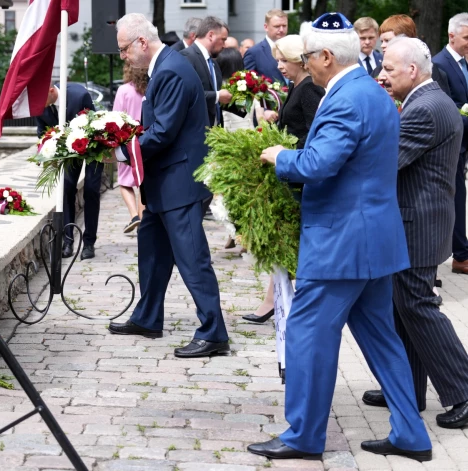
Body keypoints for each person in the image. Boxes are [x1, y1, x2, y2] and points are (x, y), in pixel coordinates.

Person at [247, 13, 432, 461]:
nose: (304, 65)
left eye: (308, 57)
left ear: (326, 56)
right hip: (372, 242)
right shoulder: (369, 89)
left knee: (307, 334)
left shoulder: (346, 98)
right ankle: (410, 433)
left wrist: (277, 156)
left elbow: (316, 165)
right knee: (383, 341)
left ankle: (303, 437)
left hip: (340, 243)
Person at [359, 37, 468, 429]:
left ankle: (463, 391)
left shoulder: (425, 108)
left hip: (417, 224)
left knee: (418, 307)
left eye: (388, 68)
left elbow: (386, 162)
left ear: (412, 70)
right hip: (420, 221)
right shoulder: (430, 100)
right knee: (405, 308)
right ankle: (407, 389)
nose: (382, 75)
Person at [108, 13, 230, 358]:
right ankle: (147, 317)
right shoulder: (165, 66)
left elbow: (163, 132)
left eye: (123, 49)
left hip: (180, 183)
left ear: (141, 43)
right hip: (164, 182)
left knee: (192, 260)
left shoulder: (172, 69)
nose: (123, 57)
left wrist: (118, 149)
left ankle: (214, 332)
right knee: (152, 252)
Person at [243, 35, 325, 324]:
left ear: (299, 61)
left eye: (282, 60)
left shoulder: (309, 89)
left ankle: (282, 302)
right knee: (286, 239)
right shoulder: (296, 86)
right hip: (290, 171)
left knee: (290, 239)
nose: (278, 66)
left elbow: (315, 133)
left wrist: (285, 146)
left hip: (299, 175)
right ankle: (274, 300)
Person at [36, 83, 101, 261]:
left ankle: (89, 242)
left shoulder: (79, 96)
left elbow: (95, 128)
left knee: (91, 190)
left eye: (39, 97)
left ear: (50, 90)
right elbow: (42, 135)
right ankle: (68, 240)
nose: (37, 103)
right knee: (66, 188)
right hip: (69, 151)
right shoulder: (40, 108)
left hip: (93, 147)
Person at [432, 13, 468, 275]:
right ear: (451, 36)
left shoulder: (465, 62)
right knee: (457, 199)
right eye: (467, 37)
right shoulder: (439, 64)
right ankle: (461, 255)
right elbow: (445, 108)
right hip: (454, 142)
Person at [375, 14, 450, 95]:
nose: (382, 45)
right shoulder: (377, 71)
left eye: (388, 41)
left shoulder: (430, 71)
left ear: (406, 40)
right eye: (382, 41)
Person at [113, 63, 147, 234]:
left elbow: (116, 117)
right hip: (146, 140)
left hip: (127, 140)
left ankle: (134, 215)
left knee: (124, 181)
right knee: (142, 182)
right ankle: (142, 217)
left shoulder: (124, 90)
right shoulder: (151, 89)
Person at [180, 16, 232, 127]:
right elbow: (186, 95)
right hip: (195, 132)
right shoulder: (186, 57)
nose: (224, 45)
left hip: (214, 132)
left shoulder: (213, 63)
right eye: (223, 39)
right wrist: (217, 96)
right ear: (211, 35)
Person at [243, 9, 288, 83]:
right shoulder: (254, 53)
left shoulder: (293, 49)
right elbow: (248, 84)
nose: (281, 30)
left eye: (284, 26)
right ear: (266, 27)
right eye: (277, 26)